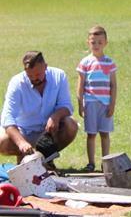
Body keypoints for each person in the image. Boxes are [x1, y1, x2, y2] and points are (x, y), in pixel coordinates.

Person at [0, 51, 77, 166]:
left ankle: (46, 158)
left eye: (38, 74)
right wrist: (21, 143)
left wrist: (55, 116)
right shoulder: (16, 83)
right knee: (2, 141)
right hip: (23, 131)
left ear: (45, 67)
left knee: (71, 125)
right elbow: (7, 117)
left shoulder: (59, 76)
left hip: (49, 132)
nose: (34, 79)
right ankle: (25, 159)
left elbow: (66, 106)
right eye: (30, 76)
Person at [76, 25, 117, 172]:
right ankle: (91, 163)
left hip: (105, 104)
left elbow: (113, 86)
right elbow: (80, 85)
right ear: (88, 42)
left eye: (100, 42)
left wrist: (112, 104)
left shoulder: (109, 63)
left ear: (106, 43)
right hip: (91, 102)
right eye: (93, 42)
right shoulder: (85, 62)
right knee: (91, 134)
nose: (96, 45)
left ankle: (106, 162)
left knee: (104, 134)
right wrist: (80, 103)